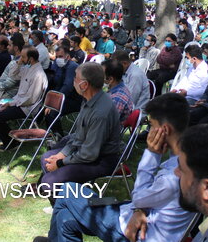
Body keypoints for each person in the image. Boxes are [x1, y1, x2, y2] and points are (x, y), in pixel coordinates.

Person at [34, 93, 195, 242]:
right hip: (132, 214)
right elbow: (147, 200)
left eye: (151, 126)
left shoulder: (176, 174)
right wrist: (140, 209)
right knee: (65, 217)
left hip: (133, 232)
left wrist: (152, 154)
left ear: (164, 130)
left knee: (67, 191)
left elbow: (139, 198)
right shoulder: (187, 159)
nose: (149, 131)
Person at [39, 62, 120, 195]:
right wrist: (62, 154)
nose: (73, 81)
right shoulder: (88, 99)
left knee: (49, 182)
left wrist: (60, 162)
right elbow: (79, 135)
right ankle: (62, 201)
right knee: (47, 157)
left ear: (84, 85)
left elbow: (89, 154)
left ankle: (67, 207)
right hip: (86, 152)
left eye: (75, 78)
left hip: (101, 160)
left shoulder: (101, 112)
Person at [0, 47, 48, 150]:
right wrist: (19, 63)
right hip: (17, 101)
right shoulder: (27, 68)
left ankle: (11, 143)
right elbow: (13, 75)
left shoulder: (38, 74)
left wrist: (10, 104)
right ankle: (6, 137)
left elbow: (30, 99)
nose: (21, 58)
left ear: (31, 59)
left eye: (23, 57)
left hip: (26, 108)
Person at [102, 59, 134, 123]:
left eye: (101, 75)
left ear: (110, 79)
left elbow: (105, 123)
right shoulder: (117, 87)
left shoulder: (117, 99)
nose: (99, 76)